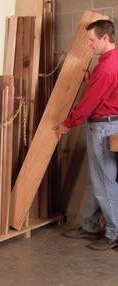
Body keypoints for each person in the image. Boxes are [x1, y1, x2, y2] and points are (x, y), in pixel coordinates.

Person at [54, 19, 118, 250]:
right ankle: (90, 225)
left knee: (104, 181)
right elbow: (107, 92)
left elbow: (89, 103)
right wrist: (93, 82)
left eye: (92, 40)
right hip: (111, 124)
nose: (89, 44)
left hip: (103, 127)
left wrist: (68, 123)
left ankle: (113, 233)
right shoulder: (113, 61)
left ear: (105, 38)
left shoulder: (107, 67)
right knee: (98, 179)